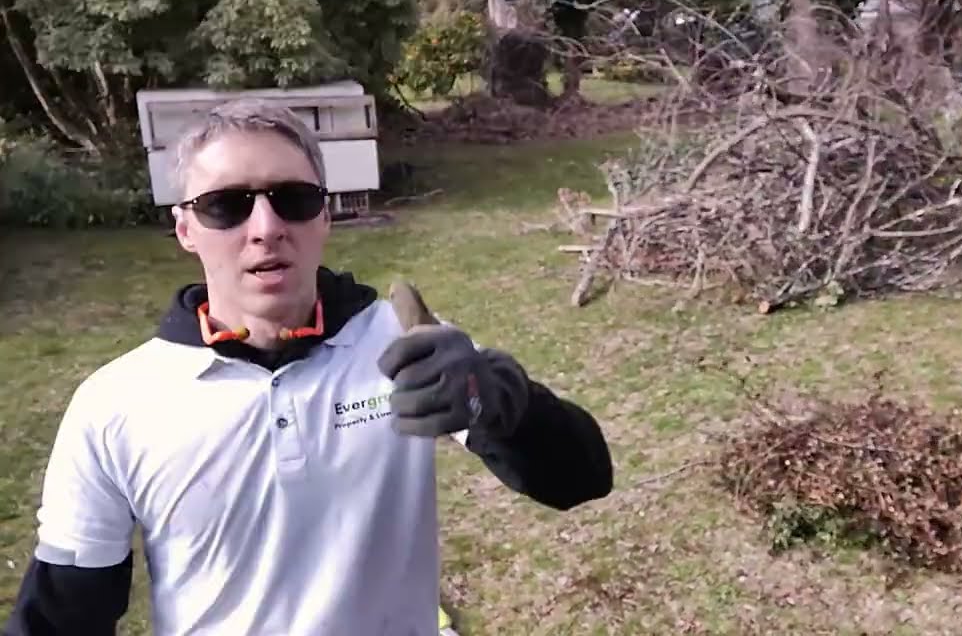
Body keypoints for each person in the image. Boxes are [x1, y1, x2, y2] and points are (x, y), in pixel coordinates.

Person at [2, 98, 614, 636]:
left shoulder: (404, 342)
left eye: (292, 200)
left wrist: (498, 398)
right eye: (227, 206)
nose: (266, 229)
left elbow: (580, 478)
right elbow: (64, 613)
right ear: (185, 226)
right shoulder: (115, 404)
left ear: (324, 215)